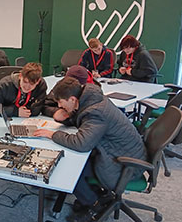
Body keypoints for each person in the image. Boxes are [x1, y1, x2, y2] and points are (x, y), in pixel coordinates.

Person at [34, 77, 147, 221]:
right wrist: (67, 117)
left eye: (61, 102)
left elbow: (81, 143)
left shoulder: (96, 112)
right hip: (124, 153)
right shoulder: (92, 99)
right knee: (73, 163)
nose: (59, 105)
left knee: (68, 169)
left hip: (125, 165)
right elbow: (86, 122)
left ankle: (94, 205)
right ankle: (95, 196)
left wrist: (53, 134)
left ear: (73, 99)